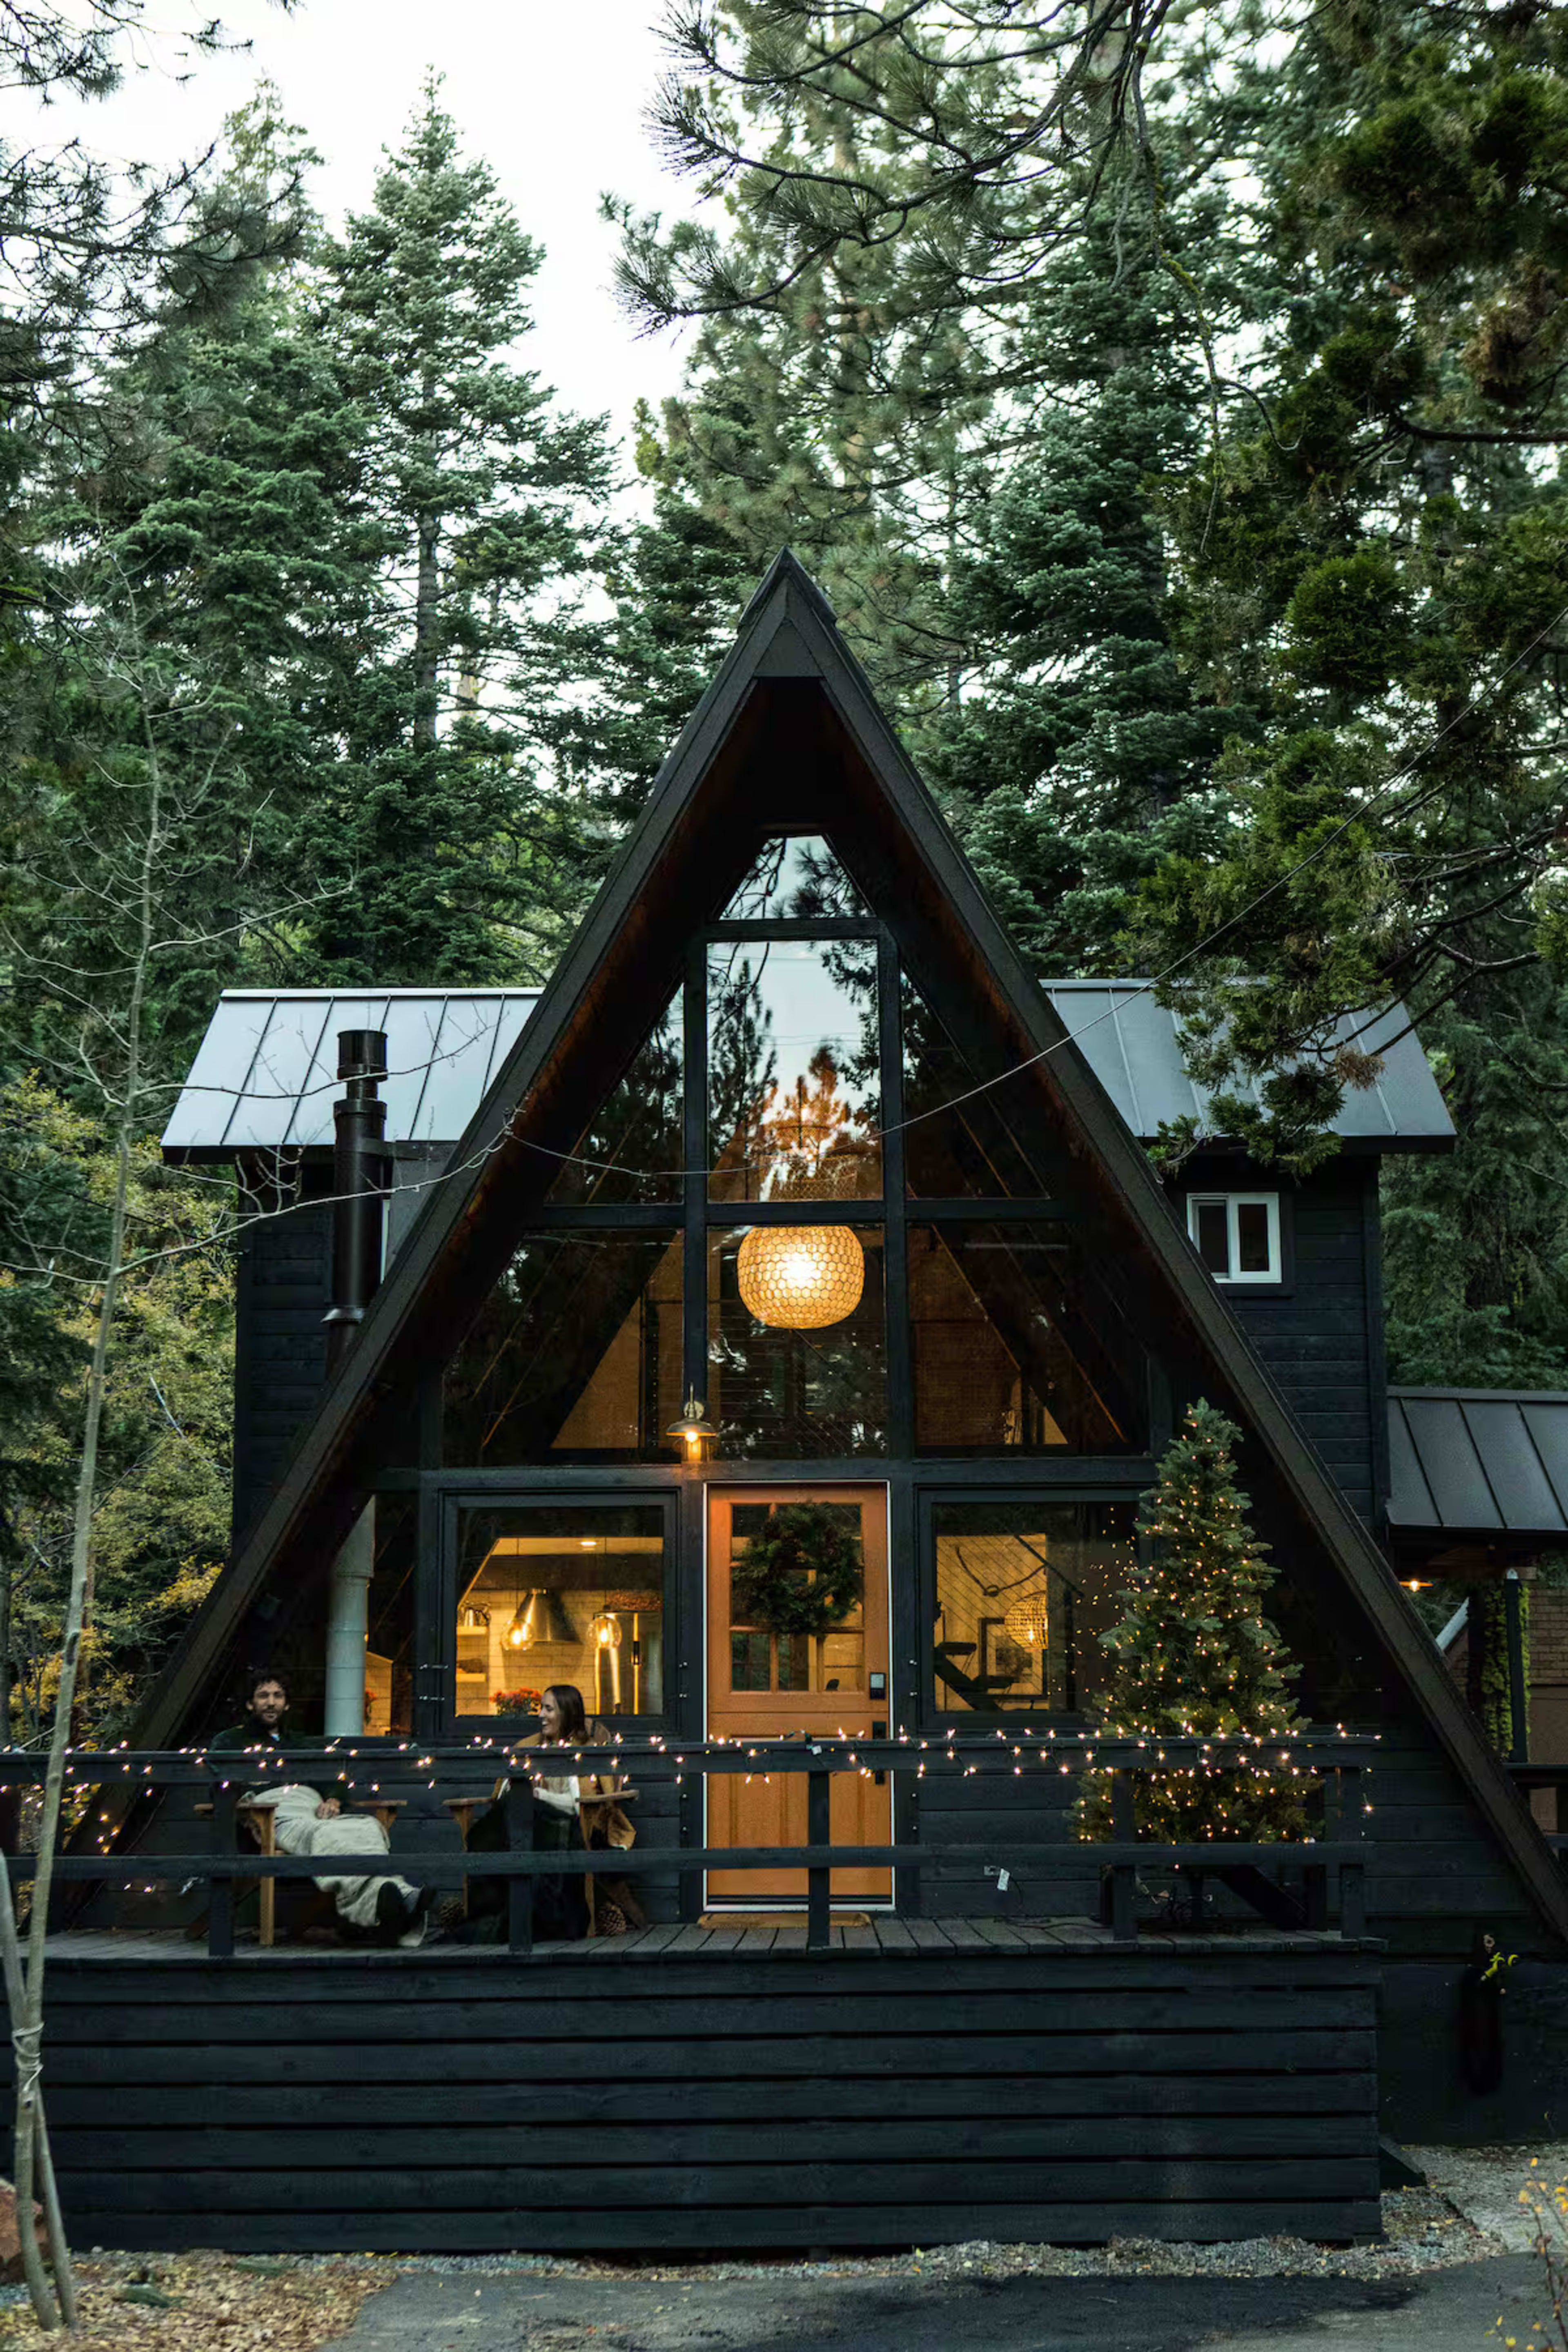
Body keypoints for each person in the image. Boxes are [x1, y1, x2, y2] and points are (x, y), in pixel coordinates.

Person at [208, 1670, 436, 1948]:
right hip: (271, 1813)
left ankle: (394, 1901)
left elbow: (331, 1781)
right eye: (263, 1696)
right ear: (250, 1704)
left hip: (312, 1807)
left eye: (278, 1696)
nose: (271, 1703)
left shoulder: (299, 1743)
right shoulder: (231, 1742)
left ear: (287, 1704)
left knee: (364, 1826)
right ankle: (398, 1900)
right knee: (325, 1836)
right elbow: (220, 1786)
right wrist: (245, 1807)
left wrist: (334, 1800)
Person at [466, 1682, 636, 1941]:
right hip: (526, 1830)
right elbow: (503, 1793)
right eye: (541, 1708)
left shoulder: (583, 1750)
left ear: (566, 1713)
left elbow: (577, 1803)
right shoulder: (531, 1746)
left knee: (513, 1814)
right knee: (504, 1817)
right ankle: (496, 1912)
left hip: (571, 1830)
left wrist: (537, 1795)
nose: (541, 1715)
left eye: (549, 1709)